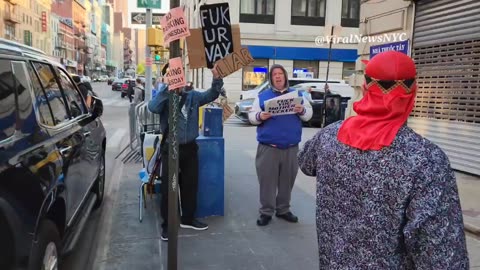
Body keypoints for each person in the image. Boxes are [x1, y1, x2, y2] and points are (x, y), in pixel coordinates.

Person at [298, 51, 469, 269]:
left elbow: (305, 162)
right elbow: (442, 255)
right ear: (411, 92)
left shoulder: (329, 137)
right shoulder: (427, 160)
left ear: (366, 87)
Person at [148, 67, 223, 241]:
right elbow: (152, 107)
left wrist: (217, 78)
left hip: (189, 147)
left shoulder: (193, 96)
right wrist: (167, 89)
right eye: (174, 76)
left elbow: (212, 94)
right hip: (171, 148)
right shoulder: (165, 96)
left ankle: (188, 218)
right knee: (169, 187)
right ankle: (167, 224)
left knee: (190, 184)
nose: (178, 80)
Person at [248, 64, 313, 226]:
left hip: (291, 148)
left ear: (285, 77)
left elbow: (308, 115)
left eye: (280, 74)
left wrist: (302, 110)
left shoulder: (297, 95)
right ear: (271, 78)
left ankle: (283, 209)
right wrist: (260, 116)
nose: (278, 76)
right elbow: (251, 116)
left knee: (287, 181)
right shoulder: (262, 96)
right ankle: (266, 212)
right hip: (268, 147)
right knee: (267, 182)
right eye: (274, 74)